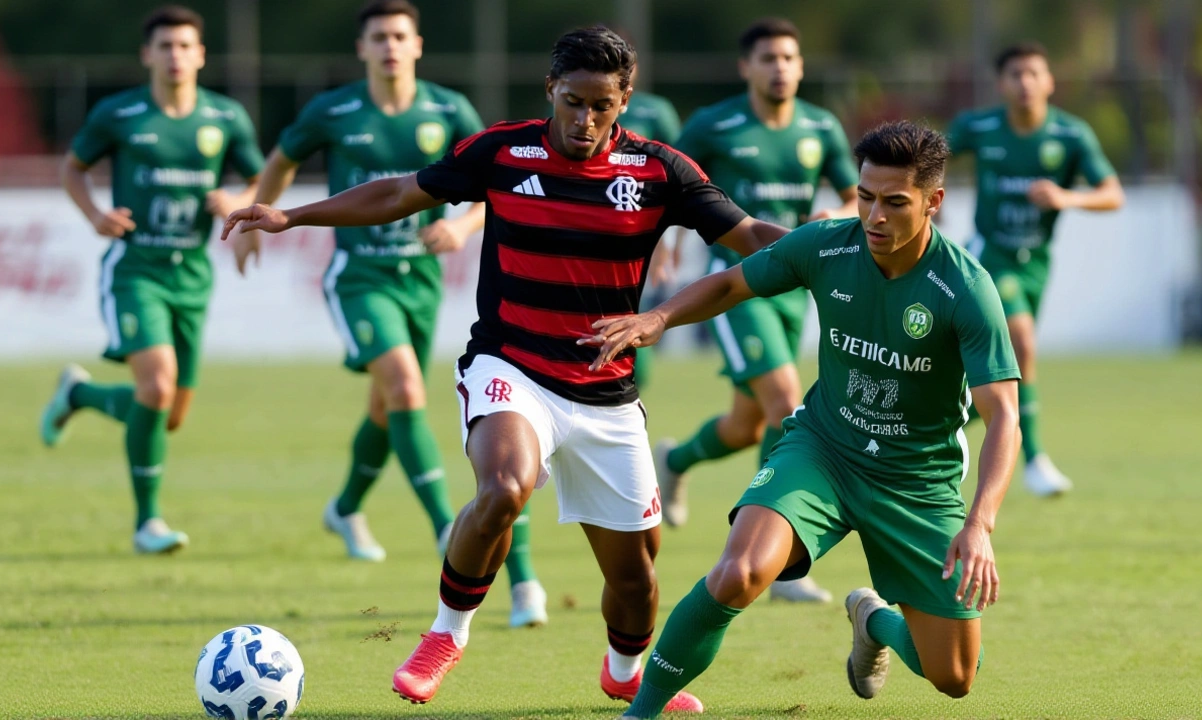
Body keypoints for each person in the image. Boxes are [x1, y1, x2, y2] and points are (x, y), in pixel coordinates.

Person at [222, 25, 791, 712]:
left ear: (625, 99)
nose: (585, 120)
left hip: (607, 395)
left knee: (637, 580)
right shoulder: (501, 151)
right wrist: (292, 216)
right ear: (550, 89)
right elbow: (399, 193)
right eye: (573, 101)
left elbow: (749, 236)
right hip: (511, 365)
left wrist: (833, 248)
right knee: (503, 489)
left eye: (602, 106)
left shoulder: (659, 170)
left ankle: (625, 671)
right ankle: (445, 635)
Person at [583, 121, 1021, 717]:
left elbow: (1004, 417)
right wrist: (657, 319)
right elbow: (734, 282)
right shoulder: (829, 245)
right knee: (738, 573)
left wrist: (980, 525)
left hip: (916, 482)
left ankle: (874, 622)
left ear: (933, 202)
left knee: (953, 675)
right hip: (823, 451)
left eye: (895, 203)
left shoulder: (967, 290)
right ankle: (642, 711)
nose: (874, 217)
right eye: (866, 197)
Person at [230, 0, 547, 628]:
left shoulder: (449, 109)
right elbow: (283, 159)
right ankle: (442, 529)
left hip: (420, 280)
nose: (391, 47)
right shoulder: (334, 110)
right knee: (404, 387)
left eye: (400, 36)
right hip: (359, 278)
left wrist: (462, 226)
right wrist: (253, 213)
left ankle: (345, 507)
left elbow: (498, 183)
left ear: (418, 45)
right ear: (363, 49)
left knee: (387, 406)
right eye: (379, 38)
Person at [40, 5, 264, 553]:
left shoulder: (225, 118)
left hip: (191, 276)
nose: (175, 56)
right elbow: (72, 167)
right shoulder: (121, 114)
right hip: (134, 270)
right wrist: (95, 215)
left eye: (186, 46)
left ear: (201, 55)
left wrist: (234, 200)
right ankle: (148, 523)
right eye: (165, 46)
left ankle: (81, 393)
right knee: (157, 386)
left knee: (168, 415)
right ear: (148, 55)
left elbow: (259, 176)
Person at [653, 17, 858, 603]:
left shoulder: (821, 126)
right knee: (785, 401)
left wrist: (836, 215)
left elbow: (852, 191)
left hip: (797, 286)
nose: (780, 67)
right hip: (737, 285)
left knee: (747, 425)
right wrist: (667, 239)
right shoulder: (715, 124)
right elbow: (666, 184)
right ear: (746, 67)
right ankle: (773, 557)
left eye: (789, 58)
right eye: (767, 58)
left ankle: (678, 457)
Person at [948, 41, 1124, 496]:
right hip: (990, 255)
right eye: (1015, 74)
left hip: (1036, 263)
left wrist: (1068, 197)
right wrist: (931, 197)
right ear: (1001, 84)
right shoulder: (980, 126)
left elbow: (1112, 193)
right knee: (1022, 345)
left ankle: (942, 428)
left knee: (1005, 365)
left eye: (1033, 73)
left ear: (1048, 82)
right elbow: (930, 156)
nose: (1025, 82)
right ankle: (1034, 460)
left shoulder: (1070, 135)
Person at [615, 64, 682, 389]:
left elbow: (679, 175)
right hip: (588, 234)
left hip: (641, 237)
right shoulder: (577, 107)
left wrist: (664, 240)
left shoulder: (656, 111)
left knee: (635, 326)